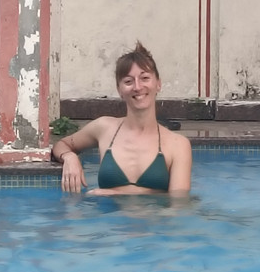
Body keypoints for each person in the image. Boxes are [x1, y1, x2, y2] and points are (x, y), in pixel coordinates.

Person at [51, 42, 192, 195]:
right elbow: (62, 144)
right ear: (119, 90)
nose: (137, 87)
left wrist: (116, 193)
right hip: (104, 211)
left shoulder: (178, 145)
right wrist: (70, 157)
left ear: (158, 84)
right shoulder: (104, 128)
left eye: (145, 78)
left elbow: (178, 202)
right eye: (128, 81)